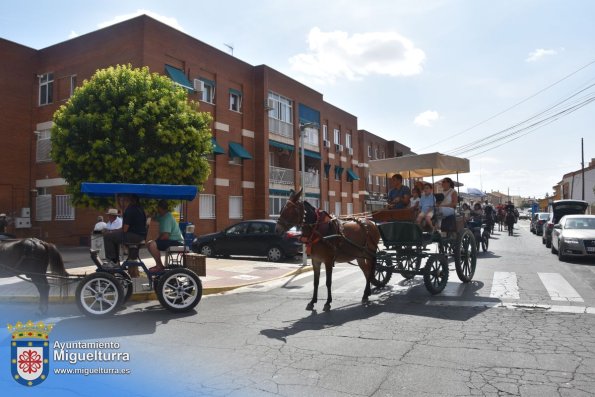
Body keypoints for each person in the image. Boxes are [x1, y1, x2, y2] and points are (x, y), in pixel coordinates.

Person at [103, 195, 147, 277]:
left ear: (130, 200)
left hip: (134, 236)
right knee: (114, 237)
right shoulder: (140, 209)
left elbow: (125, 229)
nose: (123, 202)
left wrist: (112, 232)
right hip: (140, 236)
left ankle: (113, 261)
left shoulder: (130, 210)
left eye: (124, 200)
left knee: (108, 237)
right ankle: (115, 261)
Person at [147, 200, 184, 273]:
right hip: (171, 240)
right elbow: (154, 218)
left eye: (157, 208)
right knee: (150, 243)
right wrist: (151, 215)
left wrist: (156, 240)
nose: (157, 209)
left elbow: (165, 236)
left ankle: (159, 266)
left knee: (152, 245)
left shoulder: (167, 217)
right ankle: (158, 264)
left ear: (160, 208)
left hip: (176, 241)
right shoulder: (162, 216)